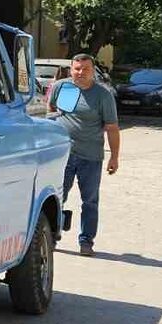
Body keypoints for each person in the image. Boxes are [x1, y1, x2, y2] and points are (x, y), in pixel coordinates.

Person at [47, 53, 120, 257]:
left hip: (91, 157)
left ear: (92, 71)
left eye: (85, 69)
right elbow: (51, 110)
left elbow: (112, 128)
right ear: (71, 69)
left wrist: (114, 157)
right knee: (56, 197)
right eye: (77, 68)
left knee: (90, 201)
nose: (81, 72)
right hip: (63, 154)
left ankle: (86, 241)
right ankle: (52, 235)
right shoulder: (62, 87)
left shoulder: (102, 95)